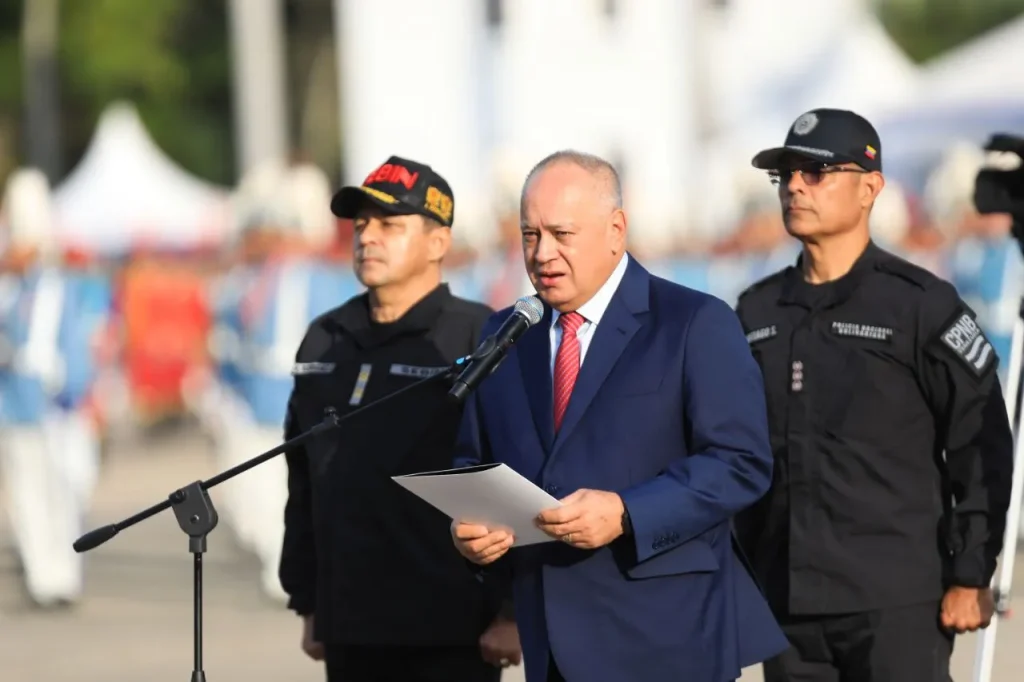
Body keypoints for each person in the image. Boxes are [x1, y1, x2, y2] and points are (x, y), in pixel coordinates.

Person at [450, 150, 788, 682]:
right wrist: (470, 530)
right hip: (551, 642)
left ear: (616, 230)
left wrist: (627, 511)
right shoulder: (506, 333)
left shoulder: (693, 322)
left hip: (667, 638)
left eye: (562, 234)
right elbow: (475, 461)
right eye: (530, 235)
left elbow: (740, 463)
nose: (542, 253)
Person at [733, 108, 1016, 682]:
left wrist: (971, 572)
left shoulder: (919, 305)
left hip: (895, 602)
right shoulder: (756, 311)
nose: (794, 187)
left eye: (816, 173)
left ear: (869, 189)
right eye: (785, 174)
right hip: (786, 602)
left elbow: (980, 440)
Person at [279, 156, 521, 682]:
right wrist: (308, 599)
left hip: (450, 625)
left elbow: (511, 474)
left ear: (438, 242)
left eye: (389, 225)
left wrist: (510, 611)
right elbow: (304, 477)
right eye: (361, 225)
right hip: (349, 621)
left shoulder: (478, 336)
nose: (368, 237)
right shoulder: (325, 337)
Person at [0, 168, 109, 608]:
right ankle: (42, 577)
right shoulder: (10, 292)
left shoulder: (65, 288)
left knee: (64, 492)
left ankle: (64, 574)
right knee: (27, 493)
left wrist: (74, 393)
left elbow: (80, 347)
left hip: (58, 407)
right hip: (16, 406)